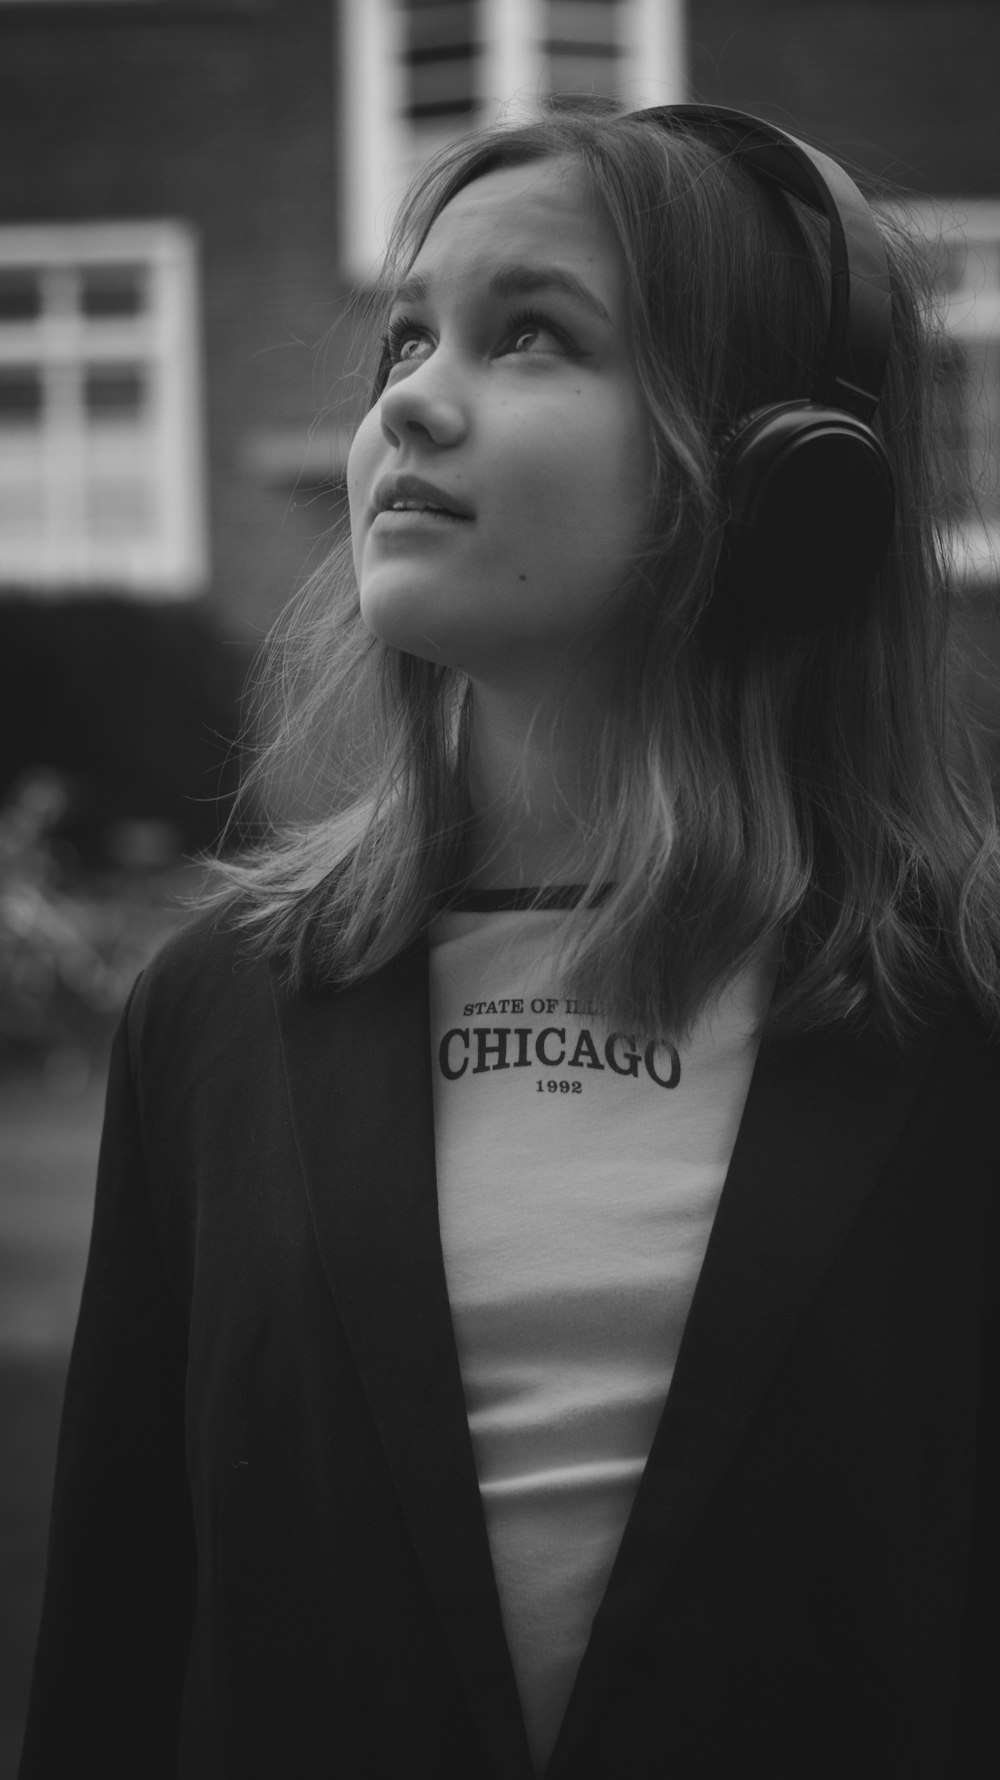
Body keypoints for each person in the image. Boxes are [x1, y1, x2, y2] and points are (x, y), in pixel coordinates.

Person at [18, 105, 1000, 1780]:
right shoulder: (213, 1009)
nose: (406, 395)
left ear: (782, 469)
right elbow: (113, 1644)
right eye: (409, 334)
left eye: (532, 332)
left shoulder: (963, 1010)